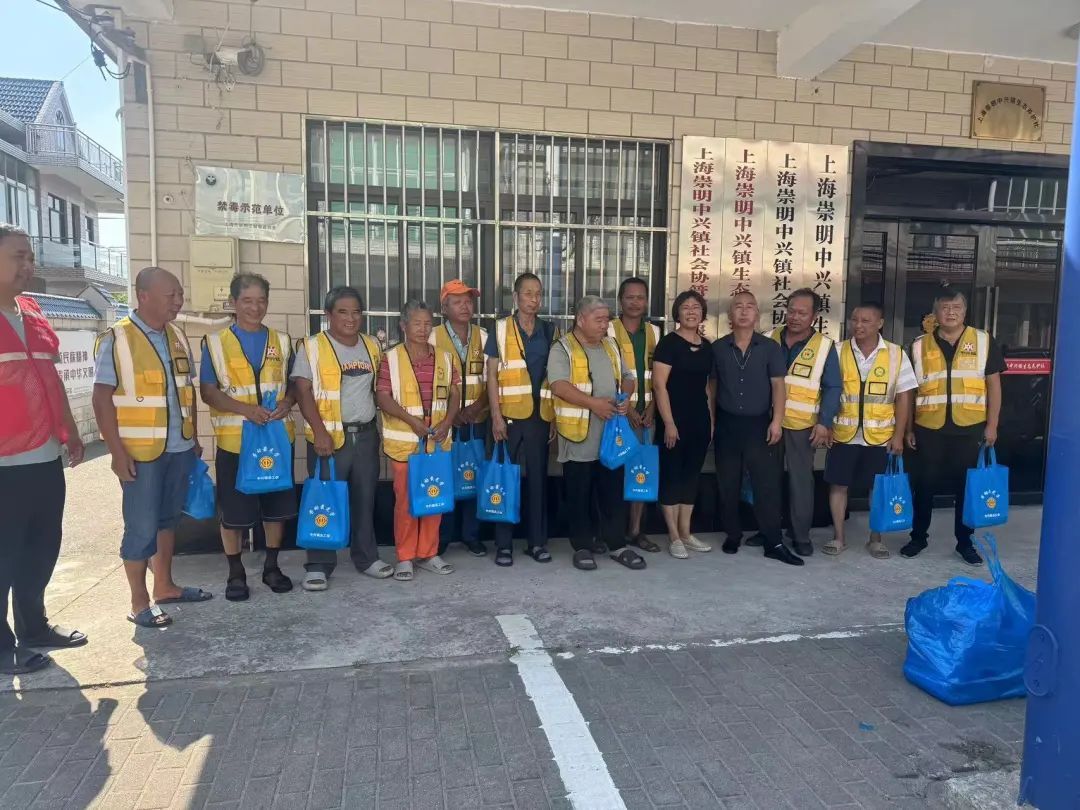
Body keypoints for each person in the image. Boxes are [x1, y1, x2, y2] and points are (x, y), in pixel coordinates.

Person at [93, 267, 212, 628]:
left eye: (180, 295)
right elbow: (101, 399)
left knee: (167, 520)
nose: (178, 301)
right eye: (170, 295)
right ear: (143, 296)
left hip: (178, 448)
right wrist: (117, 453)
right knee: (141, 526)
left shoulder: (177, 336)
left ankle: (165, 587)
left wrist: (193, 439)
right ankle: (138, 602)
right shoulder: (118, 338)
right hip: (139, 453)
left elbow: (187, 392)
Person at [0, 224, 87, 675]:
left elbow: (50, 378)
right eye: (18, 256)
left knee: (41, 546)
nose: (28, 265)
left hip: (44, 454)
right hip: (5, 462)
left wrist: (69, 430)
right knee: (4, 554)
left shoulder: (31, 311)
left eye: (29, 256)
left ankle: (33, 627)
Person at [199, 273, 296, 601]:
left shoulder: (282, 342)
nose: (255, 308)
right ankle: (235, 572)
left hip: (276, 441)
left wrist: (287, 402)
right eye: (247, 301)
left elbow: (294, 385)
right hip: (235, 443)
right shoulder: (215, 343)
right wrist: (245, 409)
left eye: (261, 301)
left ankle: (272, 567)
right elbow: (208, 392)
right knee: (234, 514)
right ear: (233, 303)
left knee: (275, 510)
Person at [292, 286, 390, 591]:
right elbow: (303, 392)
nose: (350, 318)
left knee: (365, 499)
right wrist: (320, 432)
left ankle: (366, 558)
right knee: (324, 499)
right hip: (329, 438)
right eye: (342, 312)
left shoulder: (372, 345)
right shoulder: (312, 347)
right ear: (328, 315)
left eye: (356, 312)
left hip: (366, 435)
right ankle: (319, 565)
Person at [904, 284, 1004, 565]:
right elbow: (909, 391)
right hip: (929, 426)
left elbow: (994, 386)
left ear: (965, 311)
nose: (951, 312)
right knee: (924, 485)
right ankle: (918, 537)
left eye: (956, 307)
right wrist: (909, 428)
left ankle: (965, 541)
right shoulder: (918, 345)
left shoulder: (983, 341)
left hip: (969, 426)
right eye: (945, 308)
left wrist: (992, 425)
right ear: (935, 313)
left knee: (966, 487)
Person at [549, 295, 646, 572]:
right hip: (579, 435)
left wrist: (625, 397)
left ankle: (616, 544)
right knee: (579, 493)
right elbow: (558, 385)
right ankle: (582, 546)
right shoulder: (563, 348)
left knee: (612, 491)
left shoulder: (611, 345)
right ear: (581, 320)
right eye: (599, 319)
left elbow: (628, 377)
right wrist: (593, 404)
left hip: (611, 435)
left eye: (606, 319)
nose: (605, 325)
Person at [712, 291, 803, 566]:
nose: (743, 311)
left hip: (760, 425)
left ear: (757, 314)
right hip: (727, 424)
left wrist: (777, 421)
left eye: (749, 306)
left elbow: (778, 386)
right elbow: (712, 387)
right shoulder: (718, 347)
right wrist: (712, 422)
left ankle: (773, 541)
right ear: (730, 314)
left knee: (767, 485)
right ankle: (732, 534)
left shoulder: (769, 348)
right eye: (738, 307)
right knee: (728, 483)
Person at [376, 300, 461, 581]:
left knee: (434, 496)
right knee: (406, 502)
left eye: (428, 324)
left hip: (437, 442)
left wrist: (448, 421)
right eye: (417, 323)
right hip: (405, 445)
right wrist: (413, 422)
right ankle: (405, 557)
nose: (423, 329)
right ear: (403, 326)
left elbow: (455, 393)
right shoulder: (390, 358)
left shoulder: (445, 358)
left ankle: (428, 553)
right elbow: (383, 397)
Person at [825, 303, 917, 558]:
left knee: (878, 489)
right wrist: (826, 423)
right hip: (843, 433)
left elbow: (904, 397)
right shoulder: (838, 351)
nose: (858, 325)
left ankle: (876, 539)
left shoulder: (896, 354)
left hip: (880, 436)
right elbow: (827, 391)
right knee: (838, 485)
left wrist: (899, 435)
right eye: (854, 320)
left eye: (866, 321)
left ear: (880, 323)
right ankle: (839, 537)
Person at [485, 272, 559, 567]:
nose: (534, 299)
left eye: (538, 293)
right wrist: (495, 416)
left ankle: (537, 542)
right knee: (505, 478)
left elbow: (555, 377)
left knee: (538, 480)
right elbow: (491, 376)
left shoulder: (550, 330)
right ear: (515, 297)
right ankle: (504, 545)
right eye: (528, 293)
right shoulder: (500, 329)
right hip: (508, 418)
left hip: (539, 417)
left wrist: (553, 418)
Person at [767, 289, 842, 557]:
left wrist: (824, 422)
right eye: (791, 311)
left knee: (800, 483)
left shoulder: (824, 346)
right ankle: (768, 532)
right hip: (768, 423)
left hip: (802, 425)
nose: (795, 317)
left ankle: (800, 535)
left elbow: (833, 387)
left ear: (814, 316)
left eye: (802, 313)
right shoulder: (769, 338)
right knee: (767, 480)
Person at [652, 290, 715, 560]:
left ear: (702, 313)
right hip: (673, 421)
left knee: (691, 476)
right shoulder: (668, 344)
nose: (691, 311)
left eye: (696, 307)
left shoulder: (708, 347)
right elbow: (659, 385)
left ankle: (686, 533)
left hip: (699, 420)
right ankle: (674, 536)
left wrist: (711, 421)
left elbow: (708, 387)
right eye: (686, 307)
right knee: (672, 476)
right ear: (677, 313)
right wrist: (668, 422)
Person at [430, 279, 488, 558]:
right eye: (457, 301)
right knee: (446, 476)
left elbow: (494, 379)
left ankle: (471, 535)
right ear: (444, 308)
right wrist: (449, 416)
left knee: (474, 474)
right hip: (445, 423)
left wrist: (477, 407)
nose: (465, 306)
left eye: (468, 301)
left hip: (478, 419)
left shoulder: (484, 337)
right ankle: (443, 537)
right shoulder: (432, 337)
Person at [607, 276, 661, 553]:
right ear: (620, 301)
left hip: (646, 418)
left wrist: (652, 408)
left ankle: (636, 531)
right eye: (630, 297)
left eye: (641, 297)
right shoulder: (608, 330)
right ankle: (612, 532)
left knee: (642, 472)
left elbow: (660, 378)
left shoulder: (655, 333)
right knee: (614, 475)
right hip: (615, 416)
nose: (635, 302)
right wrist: (625, 407)